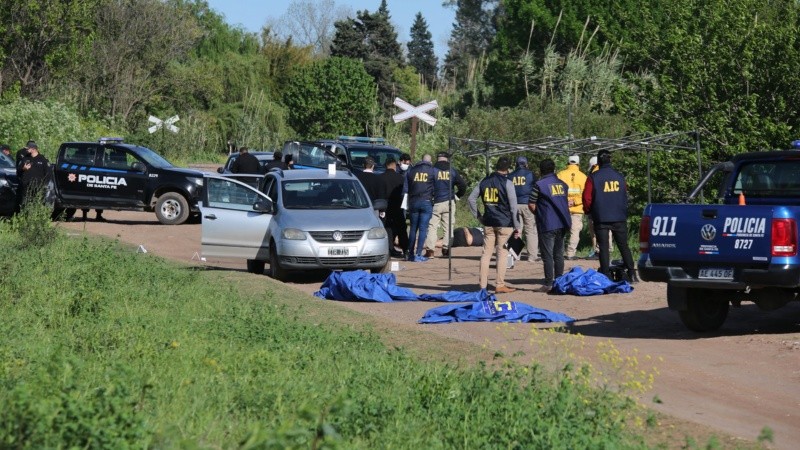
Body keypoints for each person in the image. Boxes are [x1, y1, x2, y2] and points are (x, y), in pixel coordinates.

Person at [582, 150, 638, 282]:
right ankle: (632, 274)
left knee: (603, 247)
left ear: (598, 161)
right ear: (610, 160)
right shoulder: (619, 176)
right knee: (623, 245)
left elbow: (587, 198)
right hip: (619, 216)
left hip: (601, 217)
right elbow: (625, 194)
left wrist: (588, 211)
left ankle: (606, 275)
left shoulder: (593, 177)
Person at [468, 156, 520, 294]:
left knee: (486, 254)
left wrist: (478, 216)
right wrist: (517, 226)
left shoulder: (484, 182)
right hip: (505, 223)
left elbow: (471, 199)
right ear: (508, 169)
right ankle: (499, 284)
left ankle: (483, 285)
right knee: (502, 254)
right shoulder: (508, 183)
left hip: (488, 221)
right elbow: (514, 207)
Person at [528, 158, 571, 292]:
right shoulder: (563, 184)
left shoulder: (539, 185)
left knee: (547, 256)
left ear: (541, 170)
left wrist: (539, 213)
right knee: (559, 254)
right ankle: (559, 280)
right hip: (562, 222)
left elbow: (531, 203)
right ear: (554, 169)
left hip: (547, 223)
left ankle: (548, 284)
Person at [424, 151, 467, 258]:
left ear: (437, 159)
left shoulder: (432, 170)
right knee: (448, 227)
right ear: (447, 159)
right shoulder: (452, 170)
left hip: (435, 202)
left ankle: (430, 251)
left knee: (432, 226)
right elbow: (463, 185)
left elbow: (426, 186)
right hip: (449, 202)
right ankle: (446, 248)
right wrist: (457, 196)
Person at [402, 154, 437, 261]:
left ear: (421, 160)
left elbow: (405, 190)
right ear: (430, 162)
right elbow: (436, 187)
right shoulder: (433, 171)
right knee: (423, 229)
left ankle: (410, 252)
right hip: (426, 201)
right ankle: (418, 254)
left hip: (413, 201)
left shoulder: (411, 170)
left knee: (413, 228)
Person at [557, 154, 588, 260]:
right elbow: (586, 194)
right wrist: (574, 201)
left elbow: (556, 191)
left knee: (560, 230)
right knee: (575, 232)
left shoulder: (560, 174)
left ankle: (558, 252)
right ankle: (570, 253)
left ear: (568, 162)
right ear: (578, 163)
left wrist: (565, 201)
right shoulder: (583, 177)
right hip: (577, 209)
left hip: (562, 207)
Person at [508, 156, 539, 262]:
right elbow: (536, 188)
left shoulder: (510, 175)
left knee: (516, 230)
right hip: (528, 204)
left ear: (516, 164)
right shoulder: (531, 174)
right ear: (526, 164)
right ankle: (532, 256)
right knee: (530, 230)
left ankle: (515, 256)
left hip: (514, 205)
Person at [381, 158, 409, 258]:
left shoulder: (381, 178)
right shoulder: (400, 178)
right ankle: (406, 249)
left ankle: (389, 250)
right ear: (394, 166)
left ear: (386, 166)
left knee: (387, 228)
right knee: (402, 228)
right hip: (398, 206)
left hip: (385, 207)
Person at [19, 142, 50, 206]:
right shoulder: (25, 158)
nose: (26, 150)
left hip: (37, 187)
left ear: (33, 149)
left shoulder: (43, 159)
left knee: (37, 203)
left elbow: (47, 174)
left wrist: (44, 185)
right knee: (25, 203)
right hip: (26, 185)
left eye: (28, 148)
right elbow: (18, 171)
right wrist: (24, 168)